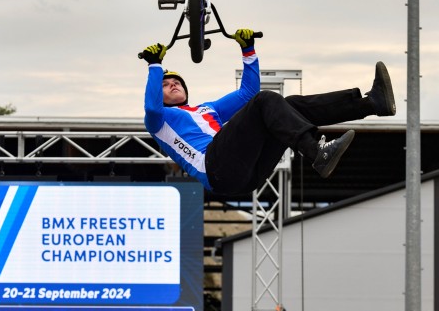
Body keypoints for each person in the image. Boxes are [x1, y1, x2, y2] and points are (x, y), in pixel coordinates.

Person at [139, 30, 396, 196]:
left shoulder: (207, 110)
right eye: (165, 84)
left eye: (177, 82)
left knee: (289, 105)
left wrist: (248, 51)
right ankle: (317, 152)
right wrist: (155, 66)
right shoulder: (159, 121)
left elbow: (247, 94)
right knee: (266, 101)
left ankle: (371, 103)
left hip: (247, 174)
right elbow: (151, 106)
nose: (172, 84)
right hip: (216, 169)